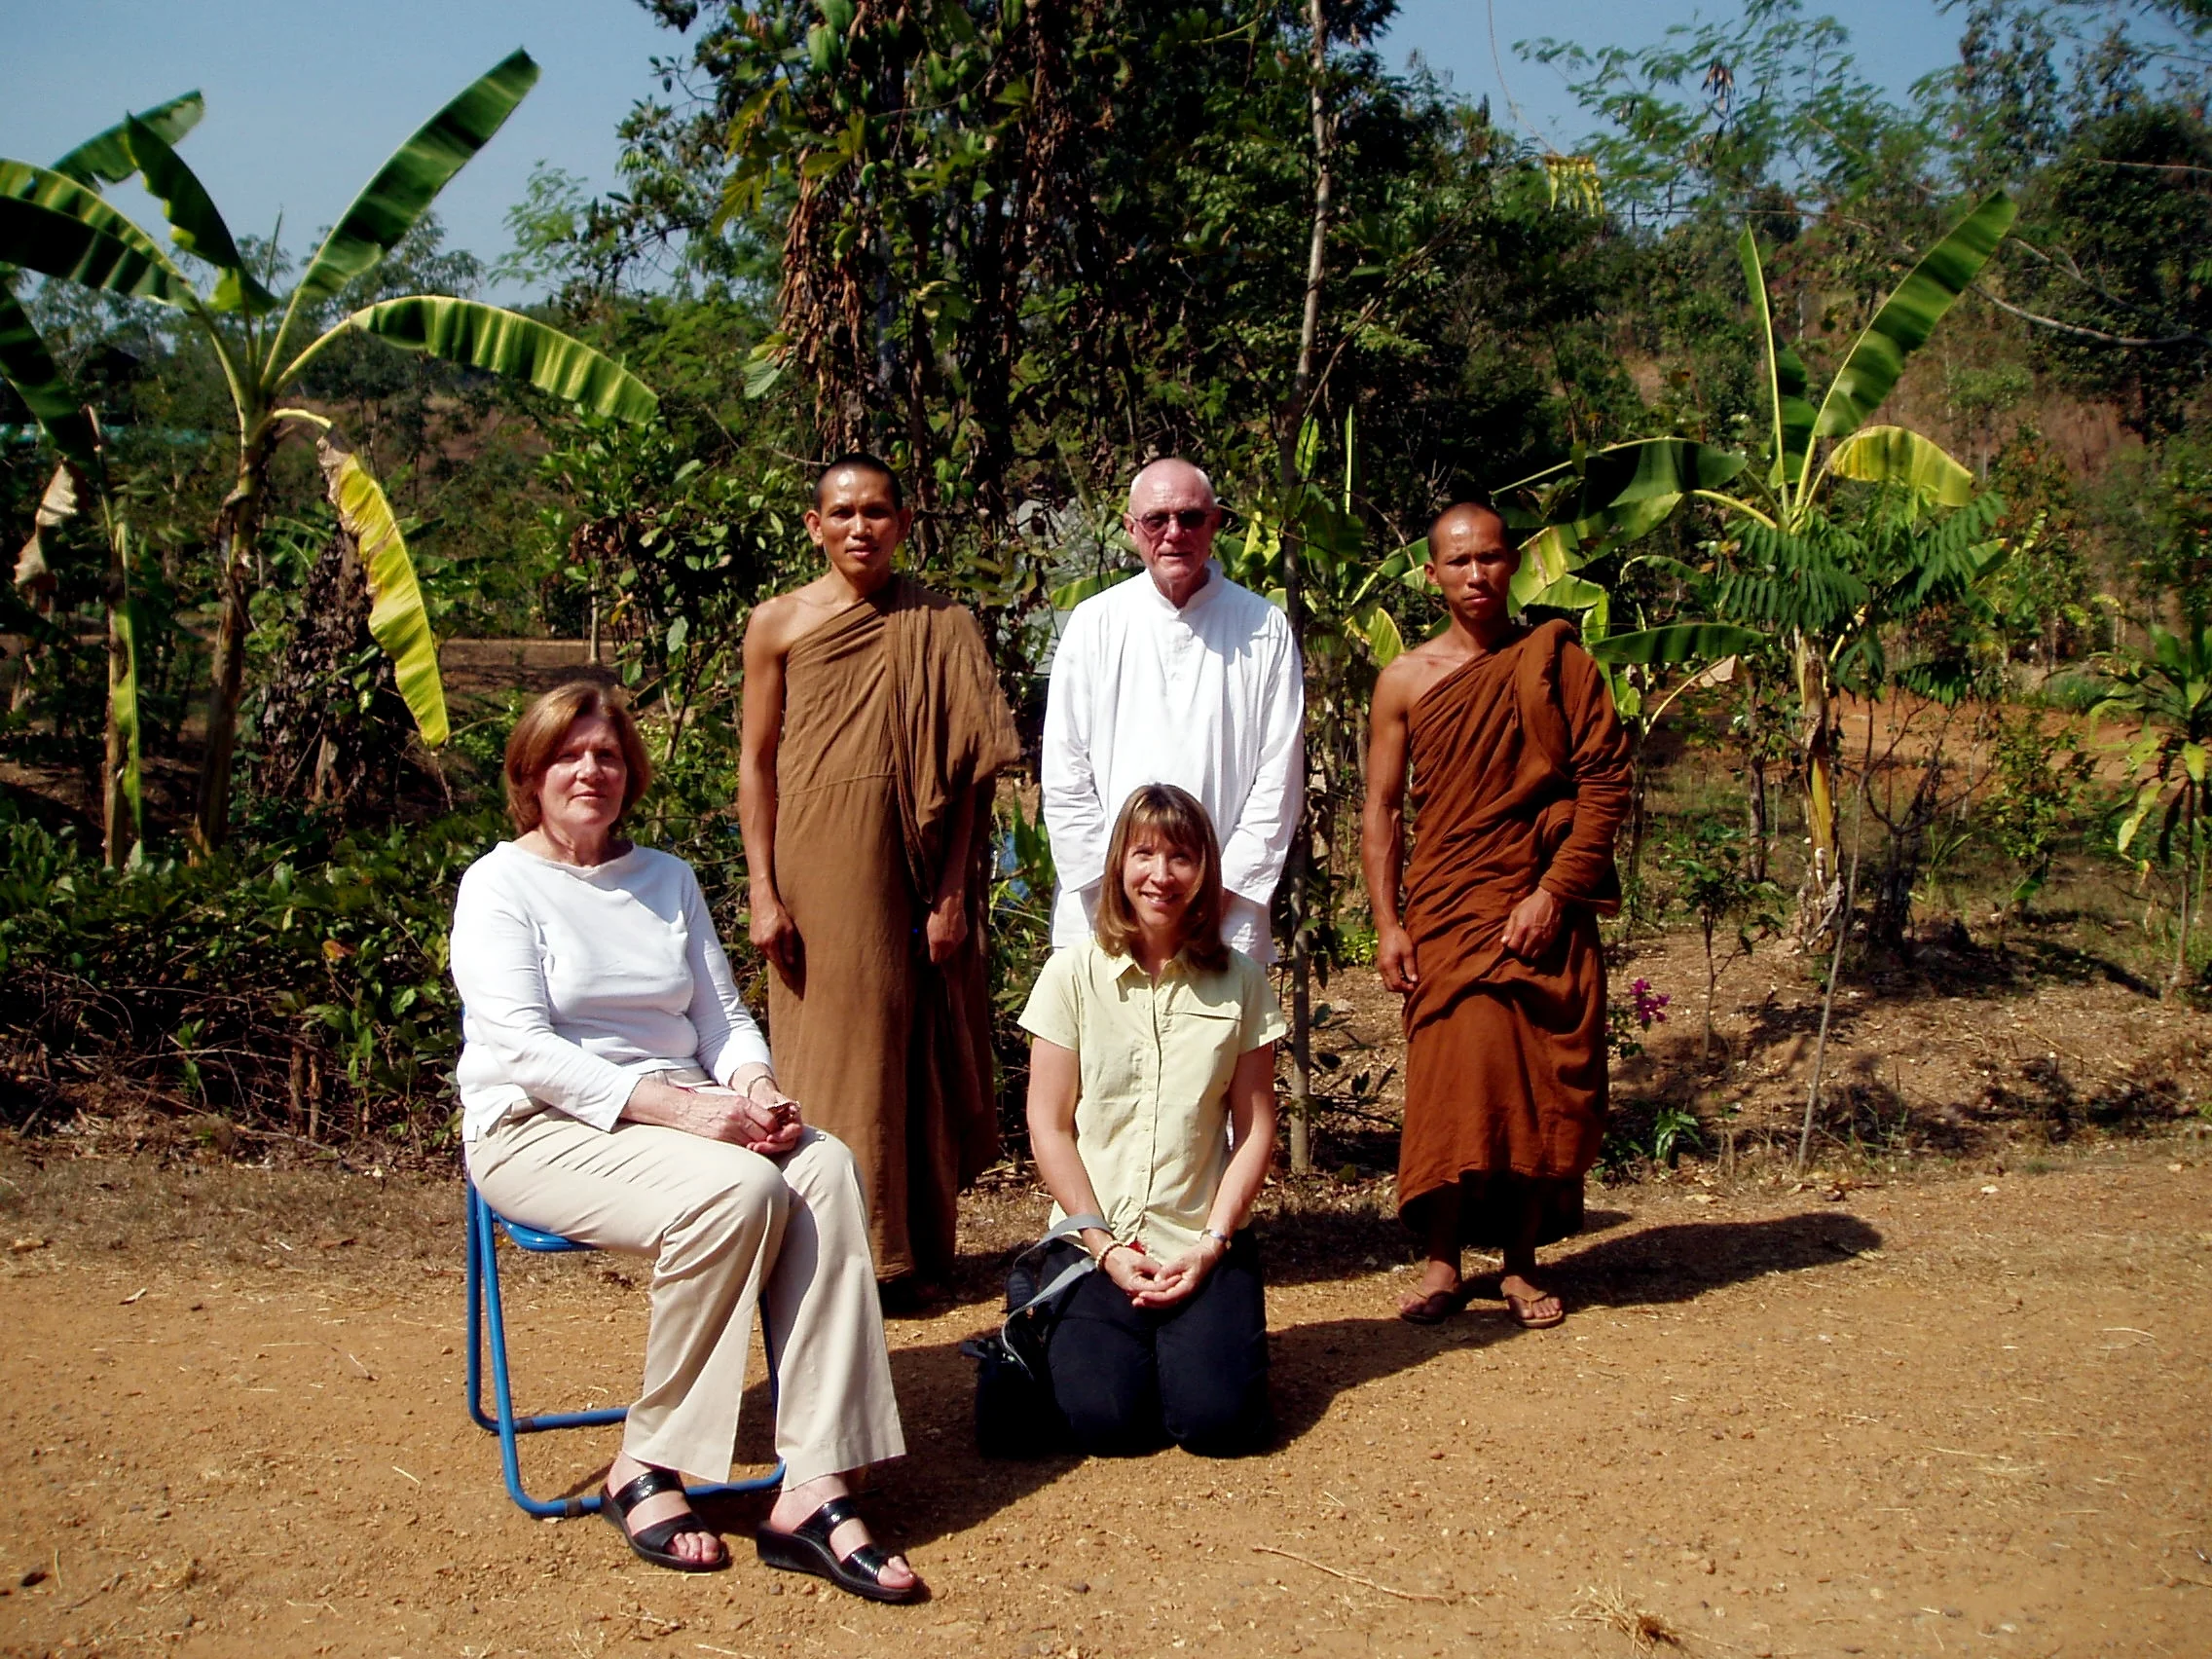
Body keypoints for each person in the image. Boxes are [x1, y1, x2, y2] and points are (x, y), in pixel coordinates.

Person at [452, 681, 920, 1600]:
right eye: (569, 755)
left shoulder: (665, 879)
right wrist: (687, 1109)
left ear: (631, 774)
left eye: (609, 755)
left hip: (686, 1120)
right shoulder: (500, 884)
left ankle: (815, 1483)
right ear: (531, 774)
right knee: (737, 1191)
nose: (592, 770)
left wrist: (754, 1088)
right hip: (537, 1130)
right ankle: (647, 1464)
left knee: (822, 1164)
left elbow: (724, 1017)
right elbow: (524, 1050)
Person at [739, 455, 1020, 1297]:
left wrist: (952, 895)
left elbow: (972, 775)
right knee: (827, 1052)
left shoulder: (943, 623)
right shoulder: (778, 624)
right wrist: (762, 888)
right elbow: (755, 764)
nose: (860, 527)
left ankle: (907, 1255)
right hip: (816, 866)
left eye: (877, 511)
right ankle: (826, 1254)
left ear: (903, 522)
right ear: (814, 525)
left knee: (910, 1045)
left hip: (915, 865)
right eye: (843, 512)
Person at [1359, 501, 1632, 1330]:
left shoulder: (1556, 663)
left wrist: (1555, 892)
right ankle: (1443, 1262)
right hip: (1449, 904)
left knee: (1533, 1076)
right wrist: (1387, 921)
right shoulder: (1405, 680)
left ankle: (1518, 1263)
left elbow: (1605, 783)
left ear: (1514, 564)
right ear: (1433, 574)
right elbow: (1381, 810)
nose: (1476, 575)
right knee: (1454, 1072)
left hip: (1537, 892)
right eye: (1458, 561)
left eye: (1490, 558)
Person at [1017, 783, 1282, 1455]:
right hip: (1095, 1244)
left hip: (1199, 1242)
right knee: (1108, 1424)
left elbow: (1254, 1131)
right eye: (1144, 854)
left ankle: (1196, 1344)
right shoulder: (1071, 976)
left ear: (1205, 872)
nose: (1161, 876)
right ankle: (1069, 1330)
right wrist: (1104, 1247)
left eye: (1181, 858)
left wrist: (1212, 1244)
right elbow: (1047, 1125)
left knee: (1218, 1426)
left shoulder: (1244, 983)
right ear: (1118, 866)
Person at [1041, 458, 1303, 964]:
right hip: (1105, 911)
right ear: (1132, 529)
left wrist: (1211, 896)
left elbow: (1279, 778)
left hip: (1222, 914)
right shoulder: (1095, 623)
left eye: (1190, 518)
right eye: (1157, 520)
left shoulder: (1263, 627)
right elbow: (1064, 771)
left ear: (1216, 522)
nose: (1174, 534)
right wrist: (1119, 892)